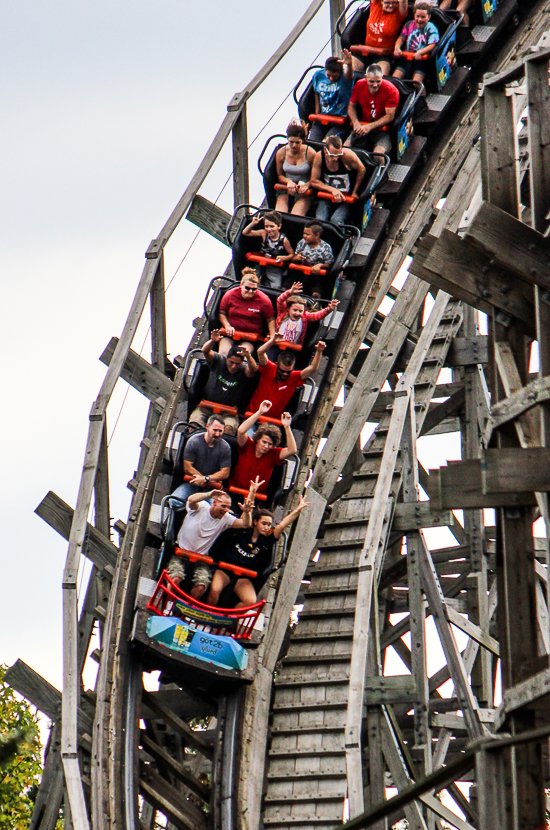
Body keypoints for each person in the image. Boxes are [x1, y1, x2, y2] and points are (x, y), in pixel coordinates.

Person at [206, 495, 310, 607]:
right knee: (214, 590)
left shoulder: (266, 540)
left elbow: (283, 525)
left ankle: (226, 620)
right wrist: (252, 492)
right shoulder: (243, 530)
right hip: (225, 569)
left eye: (269, 525)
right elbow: (245, 514)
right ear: (255, 522)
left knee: (250, 601)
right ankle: (207, 613)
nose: (266, 527)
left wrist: (298, 509)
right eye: (264, 524)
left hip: (244, 575)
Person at [167, 484, 257, 599]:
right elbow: (191, 500)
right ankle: (168, 606)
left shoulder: (226, 518)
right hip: (181, 552)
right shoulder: (202, 507)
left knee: (201, 586)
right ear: (214, 503)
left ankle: (185, 610)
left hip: (201, 559)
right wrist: (209, 494)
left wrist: (248, 511)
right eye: (223, 506)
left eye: (227, 507)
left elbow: (245, 524)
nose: (225, 510)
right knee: (175, 579)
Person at [188, 330, 257, 434]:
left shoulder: (243, 369)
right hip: (206, 406)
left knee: (228, 429)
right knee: (194, 424)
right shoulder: (219, 360)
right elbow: (205, 351)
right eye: (231, 362)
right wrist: (212, 341)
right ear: (227, 359)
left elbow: (253, 370)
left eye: (237, 364)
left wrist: (248, 356)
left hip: (228, 412)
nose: (234, 366)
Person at [229, 401, 297, 500]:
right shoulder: (247, 446)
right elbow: (241, 431)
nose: (266, 446)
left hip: (255, 497)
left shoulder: (274, 454)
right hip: (234, 491)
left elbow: (292, 450)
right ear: (257, 440)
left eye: (270, 444)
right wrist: (259, 412)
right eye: (264, 442)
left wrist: (287, 427)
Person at [248, 336, 327, 420]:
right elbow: (260, 352)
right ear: (277, 364)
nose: (285, 374)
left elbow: (313, 368)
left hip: (273, 422)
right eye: (282, 371)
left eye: (288, 371)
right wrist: (273, 341)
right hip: (253, 415)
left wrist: (319, 351)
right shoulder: (269, 368)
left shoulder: (294, 377)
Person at [171, 415, 232, 504]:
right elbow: (187, 467)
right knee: (174, 501)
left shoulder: (225, 447)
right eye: (215, 430)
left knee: (216, 508)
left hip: (211, 488)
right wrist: (200, 479)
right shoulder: (194, 441)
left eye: (220, 431)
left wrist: (205, 479)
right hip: (192, 483)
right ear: (207, 427)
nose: (217, 434)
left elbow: (225, 472)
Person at [310, 136, 366, 226]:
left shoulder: (347, 156)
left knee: (336, 221)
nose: (335, 159)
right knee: (319, 220)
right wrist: (332, 190)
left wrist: (355, 191)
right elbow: (314, 181)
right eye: (332, 155)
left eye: (338, 155)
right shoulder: (319, 157)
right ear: (325, 150)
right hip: (327, 195)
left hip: (346, 197)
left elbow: (362, 169)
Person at [218, 268, 275, 356]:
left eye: (254, 289)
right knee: (223, 353)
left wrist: (272, 336)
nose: (250, 292)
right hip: (230, 334)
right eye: (247, 288)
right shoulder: (230, 295)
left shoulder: (264, 300)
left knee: (242, 355)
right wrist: (227, 326)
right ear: (241, 284)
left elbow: (270, 319)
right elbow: (222, 313)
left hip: (250, 338)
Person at [347, 65, 399, 160]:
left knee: (378, 155)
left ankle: (382, 173)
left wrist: (370, 126)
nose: (375, 85)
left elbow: (390, 116)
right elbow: (351, 106)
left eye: (378, 81)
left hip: (383, 131)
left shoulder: (391, 90)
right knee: (345, 148)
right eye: (371, 81)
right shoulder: (359, 85)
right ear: (365, 77)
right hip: (362, 127)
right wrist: (355, 122)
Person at [351, 0, 408, 74]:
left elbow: (403, 2)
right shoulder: (375, 6)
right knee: (348, 69)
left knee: (380, 74)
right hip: (365, 52)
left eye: (393, 3)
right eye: (387, 3)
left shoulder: (398, 13)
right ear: (381, 2)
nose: (390, 6)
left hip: (382, 56)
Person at [309, 51, 355, 143]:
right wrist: (317, 115)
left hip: (338, 121)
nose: (331, 79)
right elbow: (316, 94)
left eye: (335, 76)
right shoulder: (318, 75)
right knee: (311, 143)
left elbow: (349, 75)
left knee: (327, 143)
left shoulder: (344, 77)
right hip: (322, 119)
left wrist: (349, 65)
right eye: (328, 76)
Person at [275, 282, 339, 347]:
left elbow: (318, 315)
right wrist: (290, 292)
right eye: (295, 310)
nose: (297, 313)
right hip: (276, 343)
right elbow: (280, 300)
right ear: (289, 308)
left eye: (300, 311)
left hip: (294, 347)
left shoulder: (305, 316)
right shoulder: (283, 312)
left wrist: (329, 309)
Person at [242, 210, 294, 289]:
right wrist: (253, 224)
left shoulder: (284, 240)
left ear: (279, 226)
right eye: (266, 226)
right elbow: (245, 233)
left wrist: (283, 258)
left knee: (276, 286)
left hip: (274, 265)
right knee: (250, 279)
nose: (269, 229)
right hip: (260, 262)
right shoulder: (264, 233)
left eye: (271, 226)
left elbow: (292, 254)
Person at [274, 121, 317, 216]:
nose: (294, 145)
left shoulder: (310, 153)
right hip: (286, 188)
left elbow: (316, 177)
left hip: (305, 191)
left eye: (297, 142)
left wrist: (307, 185)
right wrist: (288, 182)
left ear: (302, 141)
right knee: (279, 215)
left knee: (296, 215)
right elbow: (280, 175)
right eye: (291, 142)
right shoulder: (281, 153)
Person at [393, 3, 439, 88]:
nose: (419, 20)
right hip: (406, 58)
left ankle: (422, 98)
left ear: (428, 17)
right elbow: (401, 38)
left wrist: (420, 52)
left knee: (417, 83)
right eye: (417, 16)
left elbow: (433, 45)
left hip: (421, 61)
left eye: (423, 17)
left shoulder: (431, 28)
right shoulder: (409, 24)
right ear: (414, 15)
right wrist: (397, 48)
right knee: (395, 80)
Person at [292, 222, 334, 298]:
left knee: (316, 294)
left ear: (317, 235)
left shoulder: (326, 247)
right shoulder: (302, 243)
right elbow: (294, 258)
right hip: (301, 273)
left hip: (317, 276)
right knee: (287, 287)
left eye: (307, 234)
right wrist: (297, 258)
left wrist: (320, 265)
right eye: (304, 233)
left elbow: (329, 265)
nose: (304, 236)